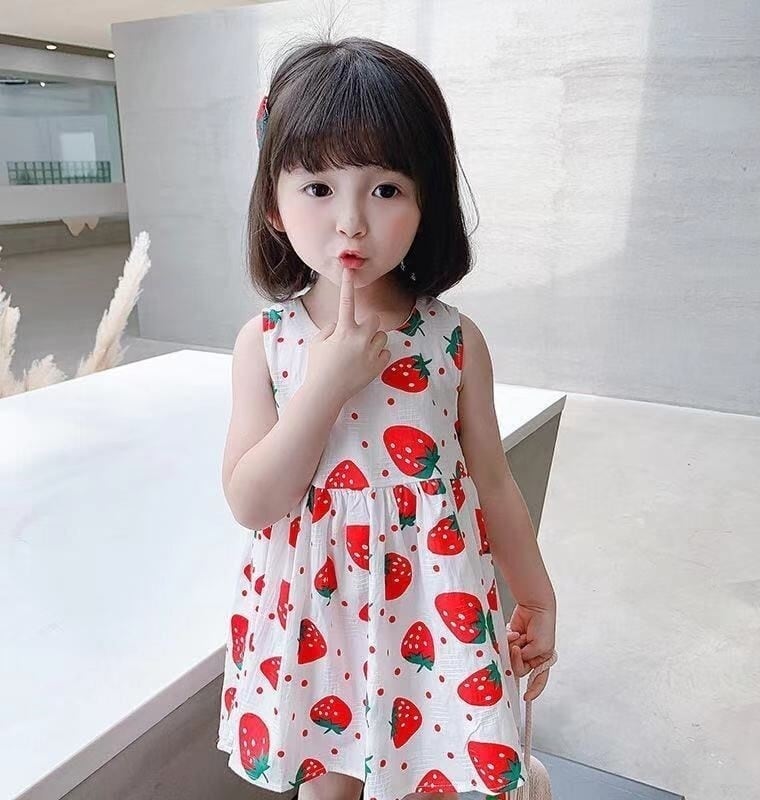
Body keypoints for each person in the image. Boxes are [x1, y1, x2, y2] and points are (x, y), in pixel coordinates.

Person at [216, 35, 557, 800]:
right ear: (273, 203)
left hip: (428, 610)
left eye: (385, 188)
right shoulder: (266, 343)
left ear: (425, 201)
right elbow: (252, 500)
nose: (351, 221)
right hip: (315, 623)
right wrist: (326, 384)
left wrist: (536, 594)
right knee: (328, 787)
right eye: (318, 186)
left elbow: (494, 484)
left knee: (431, 773)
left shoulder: (452, 341)